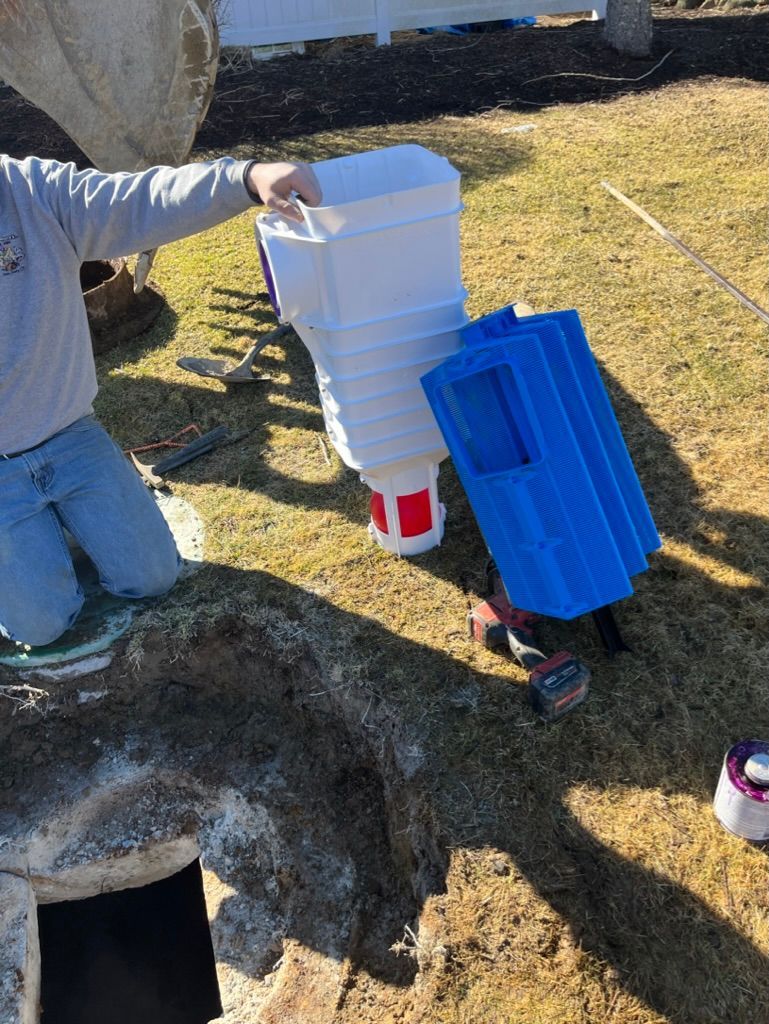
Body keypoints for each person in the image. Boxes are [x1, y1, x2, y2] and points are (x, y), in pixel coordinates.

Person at [0, 154, 322, 647]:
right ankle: (40, 548)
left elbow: (135, 200)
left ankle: (56, 531)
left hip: (69, 432)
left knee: (151, 577)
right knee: (41, 626)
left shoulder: (28, 190)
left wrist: (246, 178)